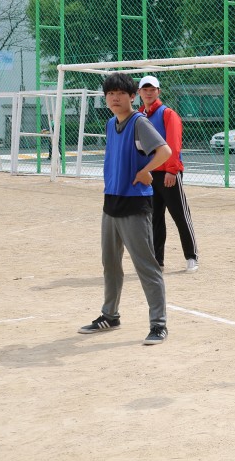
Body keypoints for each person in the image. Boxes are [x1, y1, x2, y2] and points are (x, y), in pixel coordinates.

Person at [78, 73, 173, 346]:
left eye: (121, 93)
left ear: (132, 96)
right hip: (111, 202)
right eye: (110, 94)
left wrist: (146, 171)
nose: (115, 98)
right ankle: (110, 315)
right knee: (110, 264)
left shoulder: (139, 122)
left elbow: (165, 151)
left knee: (146, 266)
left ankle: (159, 325)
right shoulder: (111, 123)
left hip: (134, 203)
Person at [138, 75, 200, 273]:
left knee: (180, 215)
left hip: (168, 173)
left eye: (152, 89)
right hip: (150, 175)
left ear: (159, 92)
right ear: (139, 93)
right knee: (154, 218)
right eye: (145, 89)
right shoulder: (138, 116)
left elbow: (174, 143)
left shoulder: (168, 114)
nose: (149, 93)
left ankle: (191, 257)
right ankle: (158, 261)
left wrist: (172, 170)